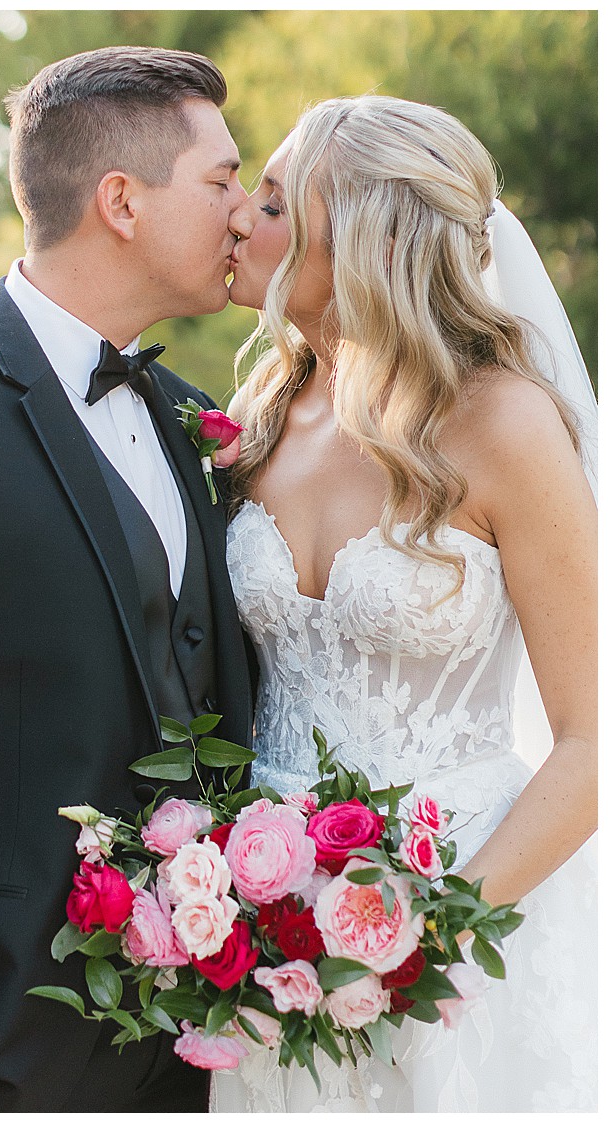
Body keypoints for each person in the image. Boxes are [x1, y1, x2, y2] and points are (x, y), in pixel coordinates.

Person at [0, 47, 256, 1112]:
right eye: (221, 182)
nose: (243, 214)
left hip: (189, 1045)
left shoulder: (193, 416)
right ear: (121, 201)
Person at [216, 95, 596, 1110]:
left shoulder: (504, 424)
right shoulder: (255, 417)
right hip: (264, 941)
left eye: (273, 202)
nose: (239, 221)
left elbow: (591, 741)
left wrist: (430, 936)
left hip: (460, 918)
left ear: (366, 240)